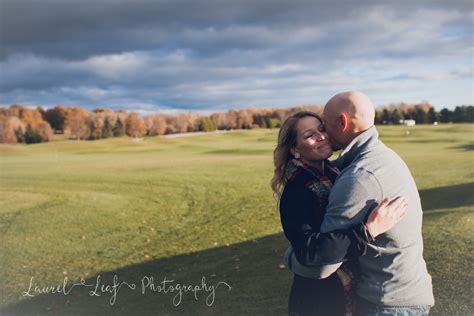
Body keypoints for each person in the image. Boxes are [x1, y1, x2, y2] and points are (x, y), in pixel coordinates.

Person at [287, 92, 434, 315]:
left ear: (342, 122)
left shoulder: (359, 177)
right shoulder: (381, 155)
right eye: (311, 133)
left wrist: (290, 257)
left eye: (324, 125)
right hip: (406, 290)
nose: (323, 134)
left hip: (387, 302)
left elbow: (320, 265)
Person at [272, 111, 407, 316]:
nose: (322, 136)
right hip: (317, 301)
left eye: (322, 129)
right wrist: (369, 230)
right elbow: (311, 252)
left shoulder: (334, 174)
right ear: (294, 149)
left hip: (341, 291)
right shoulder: (297, 192)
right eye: (309, 135)